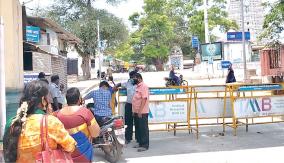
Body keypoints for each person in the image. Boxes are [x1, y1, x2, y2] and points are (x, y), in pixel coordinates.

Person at [3, 80, 76, 163]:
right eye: (48, 97)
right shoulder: (51, 122)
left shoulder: (12, 123)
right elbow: (70, 146)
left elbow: (6, 153)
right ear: (43, 100)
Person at [54, 87, 100, 162]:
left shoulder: (57, 114)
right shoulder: (85, 112)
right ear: (79, 99)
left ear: (67, 99)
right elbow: (95, 133)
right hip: (83, 154)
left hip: (64, 155)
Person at [116, 71, 137, 144]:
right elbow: (119, 84)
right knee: (128, 122)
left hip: (137, 105)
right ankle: (128, 138)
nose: (132, 78)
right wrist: (114, 87)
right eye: (130, 77)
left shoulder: (139, 85)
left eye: (133, 77)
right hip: (129, 104)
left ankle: (138, 138)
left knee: (137, 122)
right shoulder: (128, 83)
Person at [132, 73, 149, 152]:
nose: (133, 80)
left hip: (142, 112)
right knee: (138, 128)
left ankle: (145, 145)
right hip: (136, 111)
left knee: (143, 128)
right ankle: (140, 142)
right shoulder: (137, 87)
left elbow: (144, 99)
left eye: (134, 78)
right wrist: (134, 111)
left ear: (139, 79)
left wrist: (140, 111)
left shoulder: (144, 86)